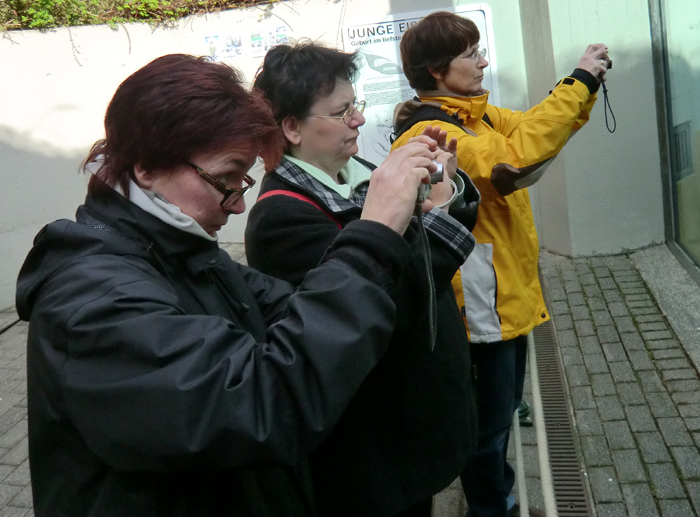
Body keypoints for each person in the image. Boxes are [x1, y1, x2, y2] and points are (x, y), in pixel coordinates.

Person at [15, 53, 445, 517]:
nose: (238, 206)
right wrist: (373, 232)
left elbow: (299, 315)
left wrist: (412, 219)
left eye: (242, 180)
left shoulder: (181, 251)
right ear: (145, 167)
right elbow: (264, 404)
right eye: (224, 179)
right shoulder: (93, 300)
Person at [246, 42, 482, 517]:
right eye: (340, 111)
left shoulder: (364, 174)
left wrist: (442, 192)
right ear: (290, 127)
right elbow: (381, 306)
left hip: (414, 417)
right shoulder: (282, 218)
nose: (357, 120)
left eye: (355, 105)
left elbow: (411, 246)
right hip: (374, 444)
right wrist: (435, 222)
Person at [392, 12, 611, 517]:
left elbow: (536, 127)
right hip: (480, 310)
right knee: (486, 430)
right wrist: (579, 82)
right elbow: (513, 160)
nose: (483, 61)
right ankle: (493, 507)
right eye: (470, 55)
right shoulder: (431, 131)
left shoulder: (479, 117)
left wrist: (581, 83)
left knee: (501, 415)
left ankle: (498, 496)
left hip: (504, 299)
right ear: (436, 70)